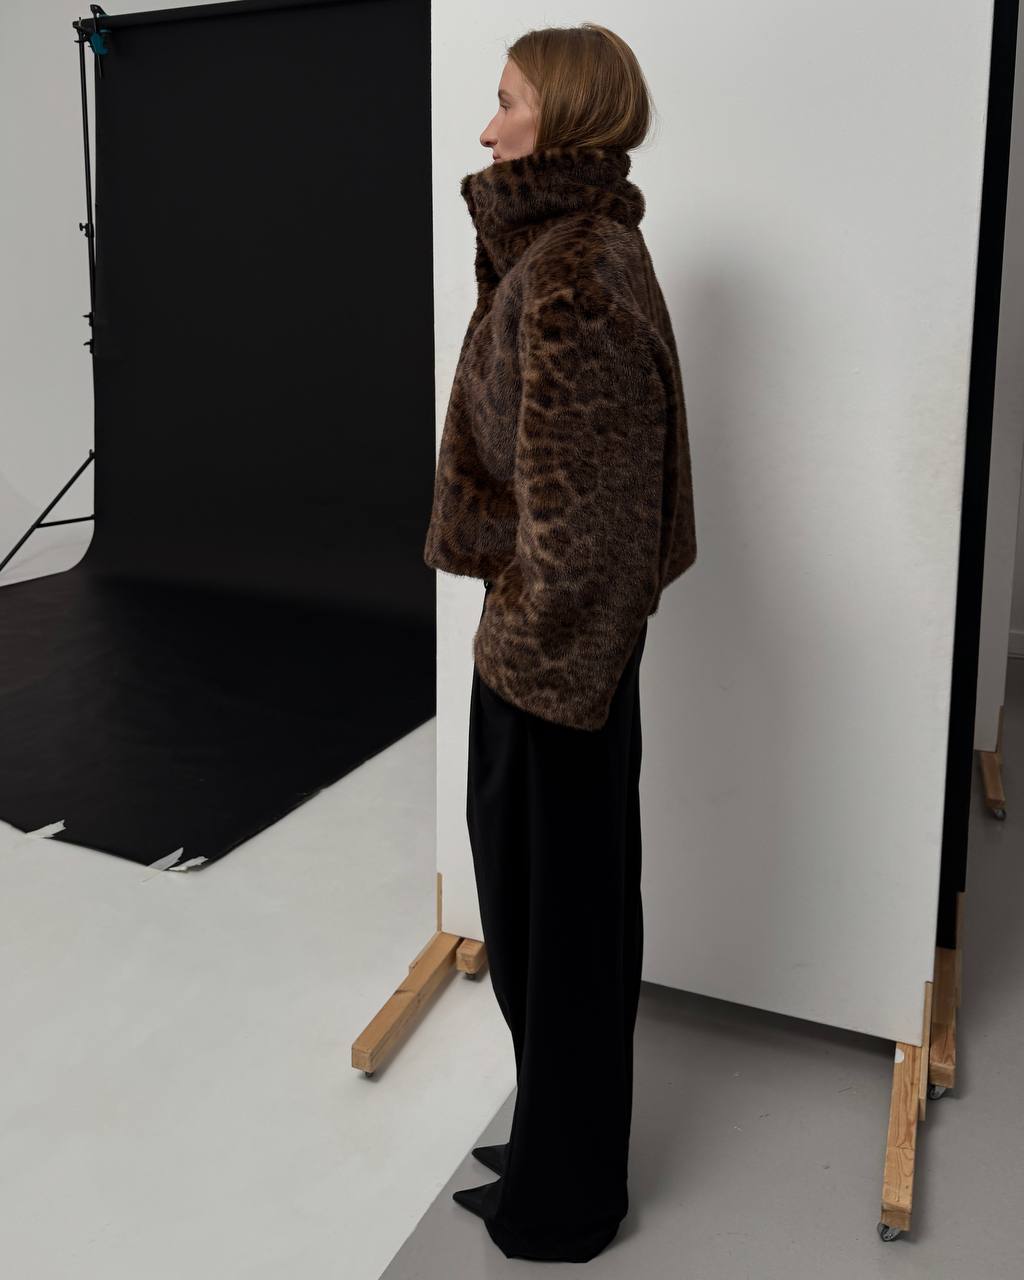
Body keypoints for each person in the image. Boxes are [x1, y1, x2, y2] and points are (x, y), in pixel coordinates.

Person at [423, 21, 697, 1264]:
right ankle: (551, 1144)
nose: (487, 129)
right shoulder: (560, 247)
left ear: (566, 116)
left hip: (554, 661)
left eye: (508, 102)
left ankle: (566, 1199)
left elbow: (591, 518)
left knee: (565, 932)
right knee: (540, 921)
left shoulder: (576, 267)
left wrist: (539, 662)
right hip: (544, 645)